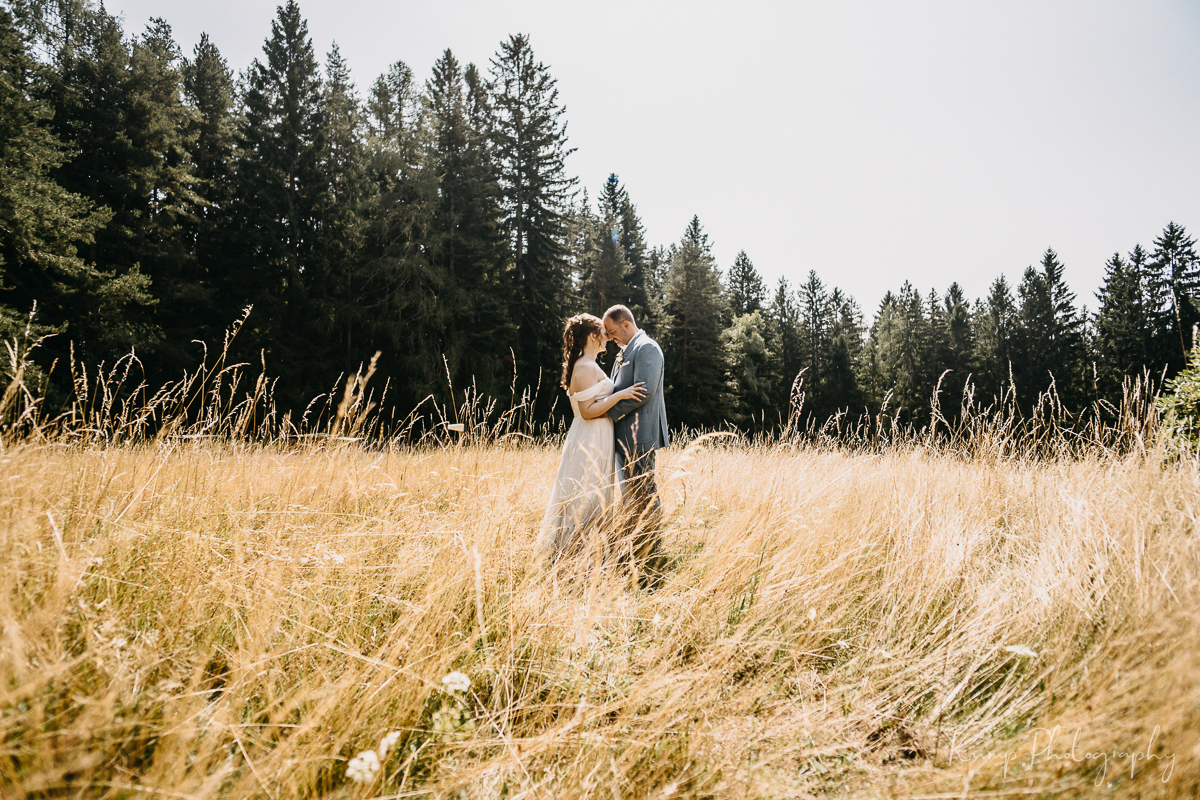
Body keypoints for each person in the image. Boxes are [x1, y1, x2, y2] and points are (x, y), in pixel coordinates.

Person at [539, 314, 646, 565]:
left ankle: (588, 554)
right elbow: (587, 411)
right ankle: (574, 556)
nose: (607, 338)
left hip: (597, 433)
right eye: (604, 333)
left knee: (591, 491)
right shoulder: (585, 366)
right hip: (590, 435)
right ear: (592, 336)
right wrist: (620, 395)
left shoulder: (587, 363)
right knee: (585, 492)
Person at [602, 305, 668, 584]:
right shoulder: (626, 351)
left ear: (626, 324)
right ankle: (636, 555)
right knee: (631, 498)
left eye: (612, 332)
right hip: (624, 438)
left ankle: (653, 558)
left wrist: (606, 414)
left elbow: (644, 391)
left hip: (639, 437)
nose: (609, 338)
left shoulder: (647, 348)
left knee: (644, 496)